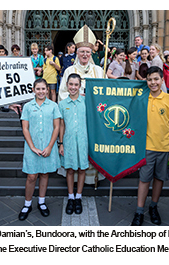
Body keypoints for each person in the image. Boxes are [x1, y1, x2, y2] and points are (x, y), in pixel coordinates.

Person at [131, 66, 169, 226]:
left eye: (156, 79)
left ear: (161, 80)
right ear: (145, 81)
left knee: (159, 178)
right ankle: (139, 211)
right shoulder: (141, 98)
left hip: (165, 146)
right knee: (144, 179)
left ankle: (153, 206)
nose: (153, 82)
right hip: (146, 147)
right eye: (149, 79)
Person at [58, 24, 105, 186]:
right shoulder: (69, 70)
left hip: (91, 120)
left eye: (87, 52)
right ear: (76, 53)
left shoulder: (99, 70)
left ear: (91, 53)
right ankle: (73, 183)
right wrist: (77, 96)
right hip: (73, 119)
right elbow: (62, 94)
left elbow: (104, 95)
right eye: (82, 51)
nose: (85, 54)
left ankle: (90, 179)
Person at [18, 78, 61, 221]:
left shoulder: (53, 106)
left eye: (43, 89)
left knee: (44, 174)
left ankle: (41, 202)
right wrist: (32, 147)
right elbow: (25, 128)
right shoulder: (28, 106)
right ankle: (27, 204)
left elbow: (57, 127)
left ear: (47, 90)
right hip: (32, 146)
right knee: (31, 176)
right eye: (38, 89)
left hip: (48, 146)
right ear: (33, 90)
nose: (41, 91)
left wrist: (50, 146)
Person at [58, 73, 88, 215]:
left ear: (80, 86)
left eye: (76, 84)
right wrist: (61, 143)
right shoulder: (62, 104)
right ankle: (71, 196)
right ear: (67, 85)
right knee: (69, 169)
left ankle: (78, 197)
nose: (73, 87)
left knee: (82, 169)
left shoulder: (86, 102)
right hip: (69, 141)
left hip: (83, 141)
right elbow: (61, 125)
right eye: (71, 84)